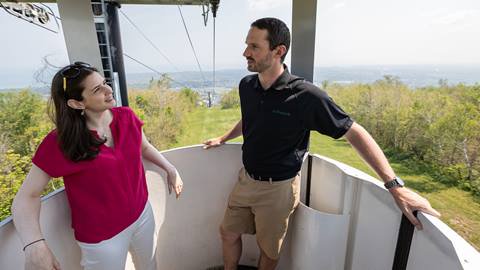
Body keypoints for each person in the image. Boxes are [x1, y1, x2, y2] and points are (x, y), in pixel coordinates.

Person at [203, 17, 441, 270]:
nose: (245, 53)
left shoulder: (305, 96)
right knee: (227, 233)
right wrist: (224, 138)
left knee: (269, 249)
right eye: (247, 45)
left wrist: (394, 186)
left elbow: (354, 132)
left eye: (254, 47)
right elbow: (250, 118)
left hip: (278, 189)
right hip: (246, 180)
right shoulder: (247, 85)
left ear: (278, 51)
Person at [11, 62, 183, 270]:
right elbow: (25, 198)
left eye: (104, 83)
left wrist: (169, 168)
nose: (108, 90)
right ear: (77, 104)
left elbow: (144, 147)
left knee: (150, 265)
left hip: (142, 215)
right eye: (97, 89)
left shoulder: (127, 117)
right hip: (102, 238)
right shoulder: (63, 142)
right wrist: (35, 245)